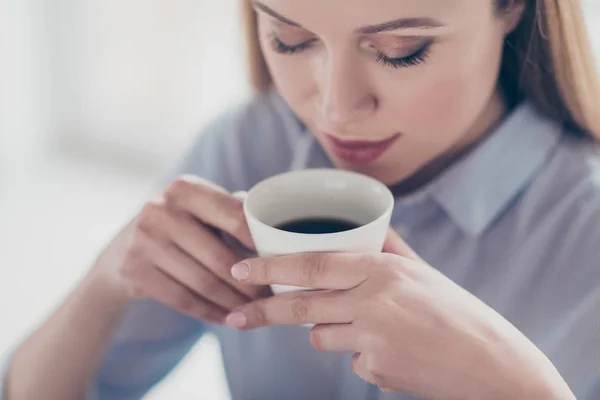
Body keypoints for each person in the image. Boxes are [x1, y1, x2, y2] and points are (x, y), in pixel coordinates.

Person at [3, 0, 600, 398]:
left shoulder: (585, 230)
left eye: (400, 50)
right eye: (289, 40)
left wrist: (518, 388)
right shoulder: (248, 148)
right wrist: (105, 283)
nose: (335, 110)